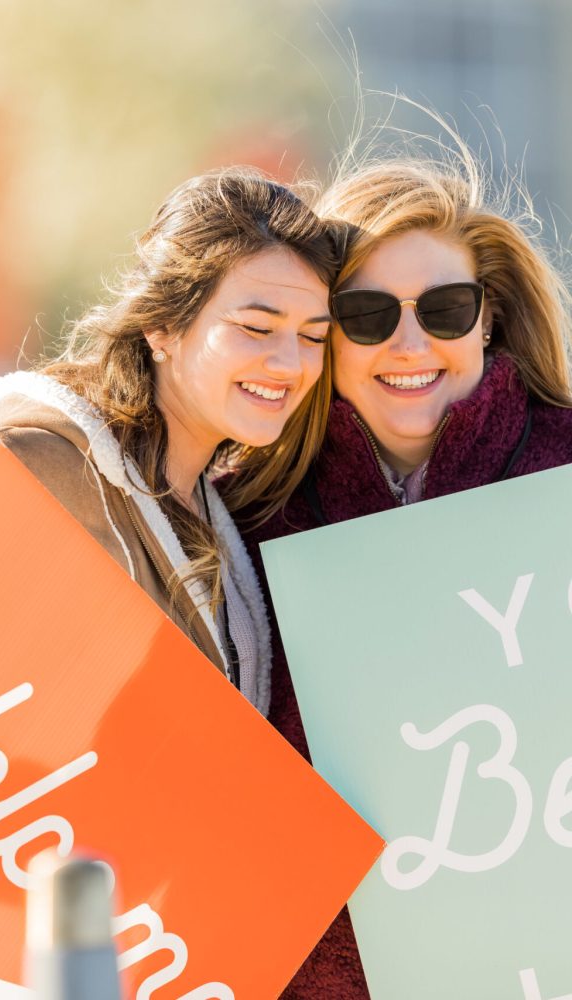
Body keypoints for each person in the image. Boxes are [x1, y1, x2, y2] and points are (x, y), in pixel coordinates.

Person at [0, 166, 340, 739]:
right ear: (163, 325)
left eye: (313, 337)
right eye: (255, 327)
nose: (291, 363)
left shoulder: (222, 509)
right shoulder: (31, 469)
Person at [233, 150, 572, 999]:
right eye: (368, 314)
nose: (411, 344)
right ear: (326, 335)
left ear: (488, 321)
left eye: (446, 309)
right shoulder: (246, 517)